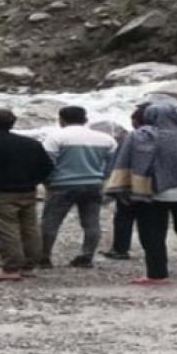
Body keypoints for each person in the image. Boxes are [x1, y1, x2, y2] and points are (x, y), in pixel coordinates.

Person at [106, 103, 177, 286]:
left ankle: (157, 274)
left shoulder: (139, 137)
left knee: (152, 235)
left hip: (150, 193)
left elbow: (124, 161)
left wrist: (121, 188)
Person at [0, 109, 54, 281]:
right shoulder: (31, 144)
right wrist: (33, 181)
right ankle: (29, 265)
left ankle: (11, 267)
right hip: (27, 191)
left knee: (7, 230)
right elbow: (47, 167)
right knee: (30, 229)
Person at [40, 106, 118, 268]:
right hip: (93, 184)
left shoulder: (55, 137)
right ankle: (87, 256)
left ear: (61, 120)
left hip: (62, 184)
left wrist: (47, 182)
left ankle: (44, 256)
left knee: (51, 222)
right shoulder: (106, 139)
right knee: (91, 222)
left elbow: (47, 163)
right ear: (85, 119)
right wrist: (102, 178)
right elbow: (111, 165)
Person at [102, 106, 146, 261]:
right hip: (155, 185)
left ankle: (120, 249)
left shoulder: (132, 137)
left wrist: (115, 187)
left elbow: (119, 162)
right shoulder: (165, 136)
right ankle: (152, 249)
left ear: (136, 121)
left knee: (123, 218)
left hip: (130, 184)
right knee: (150, 219)